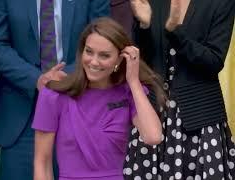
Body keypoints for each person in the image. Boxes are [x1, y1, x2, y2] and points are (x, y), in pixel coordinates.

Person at [0, 0, 109, 179]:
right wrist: (37, 79)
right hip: (22, 114)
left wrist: (63, 77)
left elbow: (104, 40)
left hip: (78, 106)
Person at [32, 17, 163, 180]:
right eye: (89, 51)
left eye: (104, 55)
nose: (94, 61)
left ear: (119, 59)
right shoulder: (54, 95)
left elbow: (153, 136)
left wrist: (134, 81)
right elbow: (42, 163)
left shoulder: (128, 93)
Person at [124, 0, 235, 179]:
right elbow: (142, 58)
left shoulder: (221, 3)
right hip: (153, 112)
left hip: (198, 117)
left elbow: (213, 61)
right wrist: (143, 25)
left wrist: (176, 31)